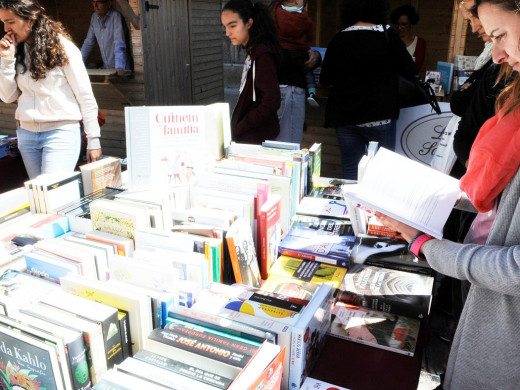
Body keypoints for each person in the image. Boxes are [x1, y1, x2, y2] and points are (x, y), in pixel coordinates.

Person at [377, 1, 520, 387]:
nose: (500, 55)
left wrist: (426, 246)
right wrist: (439, 195)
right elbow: (506, 196)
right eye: (492, 38)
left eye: (501, 35)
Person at [0, 0, 101, 179]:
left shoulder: (64, 48)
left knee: (54, 196)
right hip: (27, 135)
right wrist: (7, 61)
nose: (6, 29)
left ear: (30, 19)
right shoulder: (16, 51)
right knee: (41, 199)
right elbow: (8, 97)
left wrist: (94, 141)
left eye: (11, 22)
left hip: (60, 133)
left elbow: (85, 96)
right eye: (3, 22)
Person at [319, 0, 418, 180]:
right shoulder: (388, 35)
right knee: (381, 176)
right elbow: (410, 70)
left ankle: (352, 208)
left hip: (346, 118)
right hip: (380, 117)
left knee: (351, 172)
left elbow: (325, 79)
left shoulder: (339, 38)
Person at [221, 0, 281, 144]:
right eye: (225, 27)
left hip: (257, 141)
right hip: (252, 138)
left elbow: (271, 100)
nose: (228, 33)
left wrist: (242, 126)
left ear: (249, 23)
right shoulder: (254, 51)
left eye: (233, 26)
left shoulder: (262, 54)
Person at [271, 0, 321, 144]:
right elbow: (287, 55)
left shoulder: (273, 14)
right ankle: (312, 92)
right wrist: (312, 56)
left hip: (275, 88)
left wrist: (314, 56)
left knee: (277, 143)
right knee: (289, 146)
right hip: (290, 88)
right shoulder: (298, 18)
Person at [81, 0, 128, 76]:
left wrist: (119, 66)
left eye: (99, 2)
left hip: (121, 68)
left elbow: (119, 43)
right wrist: (78, 62)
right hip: (107, 68)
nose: (95, 5)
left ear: (108, 4)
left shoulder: (116, 16)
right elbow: (88, 42)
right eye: (93, 2)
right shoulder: (94, 17)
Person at [390, 5, 426, 71]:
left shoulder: (419, 42)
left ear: (411, 24)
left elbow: (417, 67)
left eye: (403, 24)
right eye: (397, 24)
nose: (399, 27)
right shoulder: (390, 40)